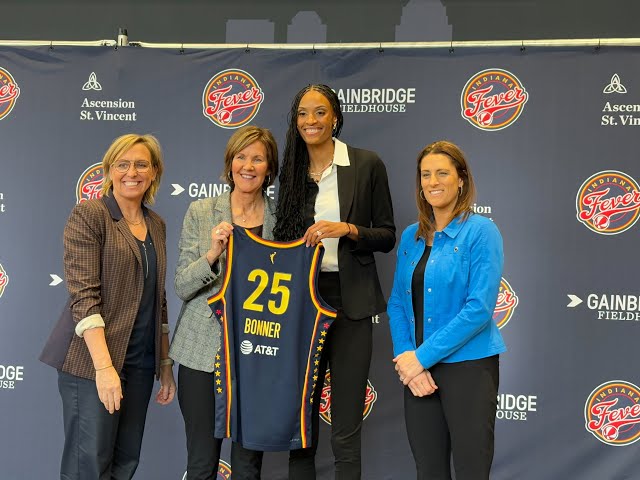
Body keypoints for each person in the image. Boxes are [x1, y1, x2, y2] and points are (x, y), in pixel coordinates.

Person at [273, 84, 396, 479]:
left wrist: (346, 229)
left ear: (336, 117)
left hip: (351, 301)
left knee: (346, 421)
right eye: (303, 113)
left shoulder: (365, 164)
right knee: (301, 420)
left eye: (320, 112)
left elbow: (387, 235)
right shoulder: (288, 171)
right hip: (301, 304)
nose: (311, 121)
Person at [40, 134, 176, 480]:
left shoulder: (156, 224)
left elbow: (157, 300)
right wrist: (104, 369)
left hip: (141, 365)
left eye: (141, 164)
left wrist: (164, 363)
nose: (132, 172)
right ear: (109, 170)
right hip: (91, 364)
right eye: (123, 164)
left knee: (125, 463)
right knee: (89, 466)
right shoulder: (91, 214)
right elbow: (84, 298)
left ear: (154, 172)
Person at [388, 140, 506, 480]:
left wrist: (420, 358)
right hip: (418, 374)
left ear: (461, 180)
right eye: (426, 174)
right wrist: (407, 358)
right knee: (428, 470)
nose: (433, 182)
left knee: (471, 469)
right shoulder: (411, 236)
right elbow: (397, 302)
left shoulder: (481, 232)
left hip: (468, 368)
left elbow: (479, 309)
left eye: (442, 173)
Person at [168, 125, 279, 480]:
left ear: (269, 167)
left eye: (258, 158)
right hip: (202, 352)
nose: (248, 165)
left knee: (248, 466)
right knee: (201, 462)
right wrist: (213, 253)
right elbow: (183, 286)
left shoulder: (283, 221)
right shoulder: (201, 212)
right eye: (241, 156)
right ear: (230, 163)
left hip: (257, 353)